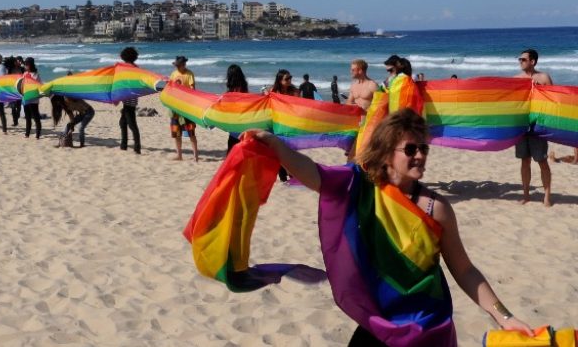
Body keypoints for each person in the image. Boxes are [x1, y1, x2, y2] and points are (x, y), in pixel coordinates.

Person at [244, 110, 534, 345]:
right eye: (410, 148)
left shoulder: (437, 208)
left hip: (426, 329)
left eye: (423, 148)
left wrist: (504, 317)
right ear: (386, 153)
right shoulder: (360, 189)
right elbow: (313, 173)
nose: (419, 155)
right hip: (379, 324)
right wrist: (275, 145)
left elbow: (465, 270)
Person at [515, 48, 553, 206]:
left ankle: (547, 196)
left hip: (538, 126)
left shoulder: (543, 77)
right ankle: (526, 195)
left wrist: (539, 90)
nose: (520, 62)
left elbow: (554, 99)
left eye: (523, 59)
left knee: (542, 161)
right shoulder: (516, 79)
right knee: (525, 161)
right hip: (522, 126)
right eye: (520, 59)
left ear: (532, 61)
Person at [169, 56, 199, 161]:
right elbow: (170, 87)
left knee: (191, 132)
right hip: (175, 108)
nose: (177, 67)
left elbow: (192, 89)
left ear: (184, 65)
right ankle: (179, 155)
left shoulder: (189, 74)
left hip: (186, 108)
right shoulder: (174, 74)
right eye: (176, 65)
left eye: (178, 66)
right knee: (176, 133)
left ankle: (195, 156)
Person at [224, 64, 249, 155]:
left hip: (234, 126)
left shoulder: (231, 91)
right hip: (243, 123)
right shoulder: (243, 87)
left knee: (231, 154)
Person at [22, 57, 42, 139]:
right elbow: (22, 84)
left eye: (27, 65)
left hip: (33, 99)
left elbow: (39, 85)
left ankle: (37, 134)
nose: (25, 66)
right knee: (27, 117)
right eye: (25, 64)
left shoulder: (36, 74)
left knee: (36, 117)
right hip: (25, 98)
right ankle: (27, 134)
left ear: (31, 65)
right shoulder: (24, 73)